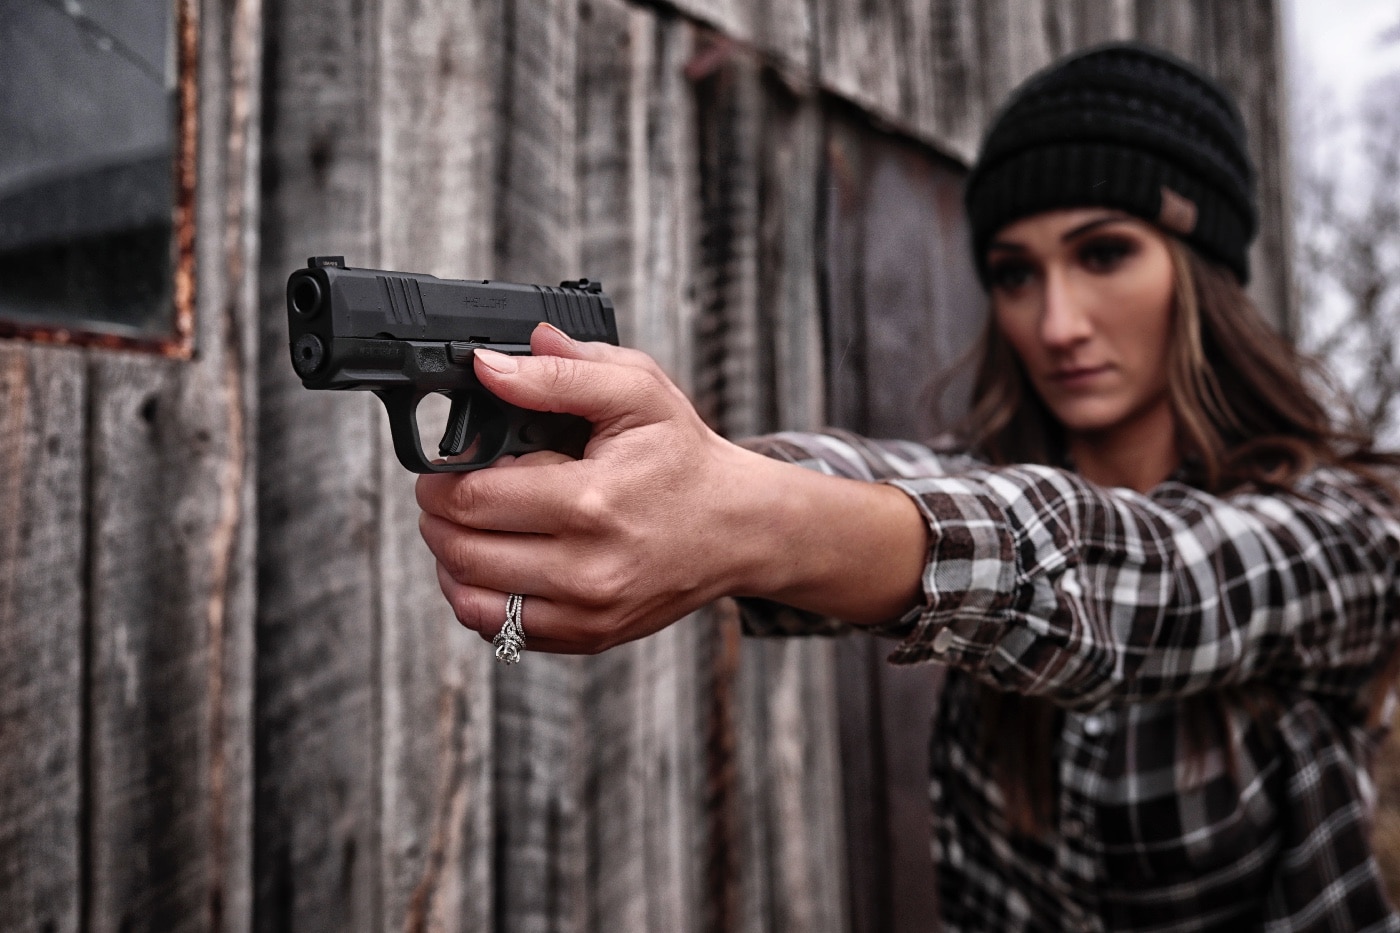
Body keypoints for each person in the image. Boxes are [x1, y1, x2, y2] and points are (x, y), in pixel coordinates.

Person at [416, 43, 1400, 930]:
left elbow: (1145, 582)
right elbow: (876, 478)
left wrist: (749, 518)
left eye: (1103, 254)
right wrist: (676, 476)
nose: (1055, 322)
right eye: (1014, 274)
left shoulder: (1347, 527)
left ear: (1202, 275)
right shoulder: (977, 477)